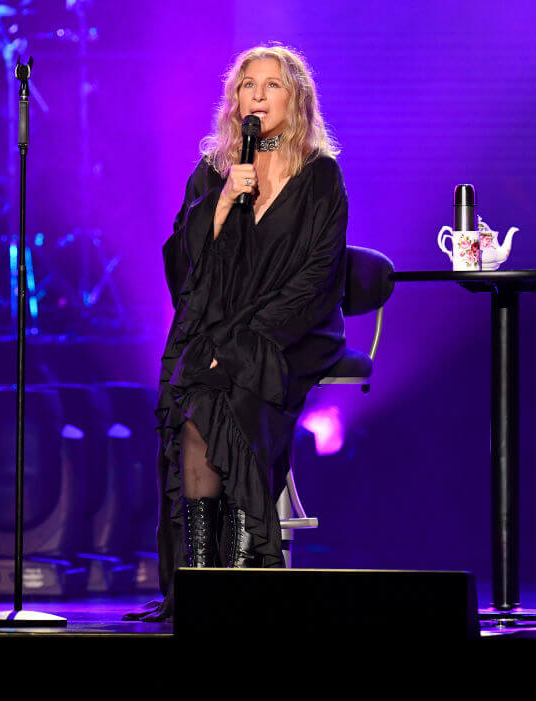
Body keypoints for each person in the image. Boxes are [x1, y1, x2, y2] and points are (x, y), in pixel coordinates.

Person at [125, 44, 347, 623]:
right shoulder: (214, 170)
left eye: (272, 84)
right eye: (248, 84)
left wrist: (255, 334)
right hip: (220, 326)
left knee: (238, 390)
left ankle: (248, 577)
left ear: (295, 96)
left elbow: (318, 273)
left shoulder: (321, 175)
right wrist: (223, 202)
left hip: (292, 329)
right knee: (197, 403)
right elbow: (183, 262)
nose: (258, 93)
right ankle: (203, 582)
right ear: (235, 99)